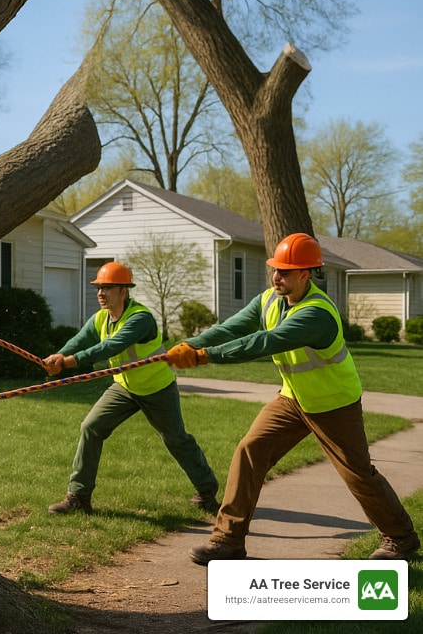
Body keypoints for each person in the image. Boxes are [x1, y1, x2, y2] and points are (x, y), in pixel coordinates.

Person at [168, 233, 419, 564]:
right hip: (292, 399)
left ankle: (401, 539)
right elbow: (232, 328)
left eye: (285, 272)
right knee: (250, 451)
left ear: (306, 274)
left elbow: (263, 342)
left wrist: (203, 357)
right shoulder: (270, 300)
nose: (276, 277)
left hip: (333, 403)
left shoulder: (316, 314)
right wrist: (191, 343)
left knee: (357, 474)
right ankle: (228, 541)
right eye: (275, 269)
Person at [42, 262, 219, 516]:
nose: (101, 293)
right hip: (124, 387)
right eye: (99, 288)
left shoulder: (140, 318)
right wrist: (59, 354)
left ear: (124, 291)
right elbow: (82, 338)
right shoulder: (102, 318)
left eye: (107, 288)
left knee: (175, 439)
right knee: (91, 427)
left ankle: (207, 489)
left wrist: (70, 362)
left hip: (157, 388)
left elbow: (111, 346)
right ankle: (79, 497)